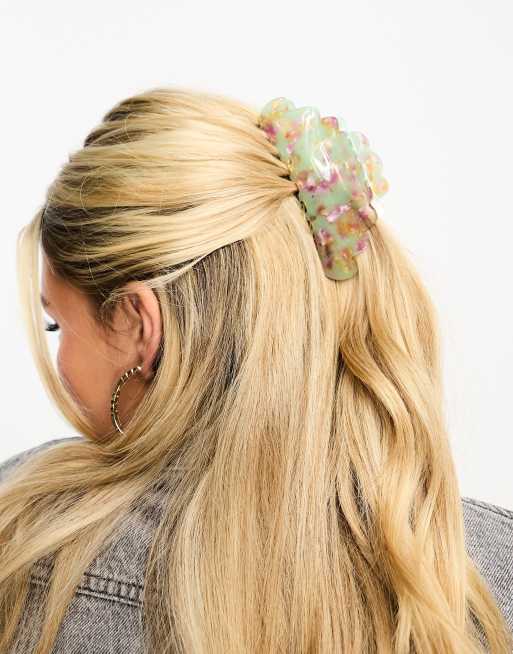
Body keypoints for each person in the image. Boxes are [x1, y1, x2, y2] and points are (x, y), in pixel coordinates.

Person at [0, 86, 511, 653]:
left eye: (58, 325)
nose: (59, 359)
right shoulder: (485, 571)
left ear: (138, 324)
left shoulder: (26, 551)